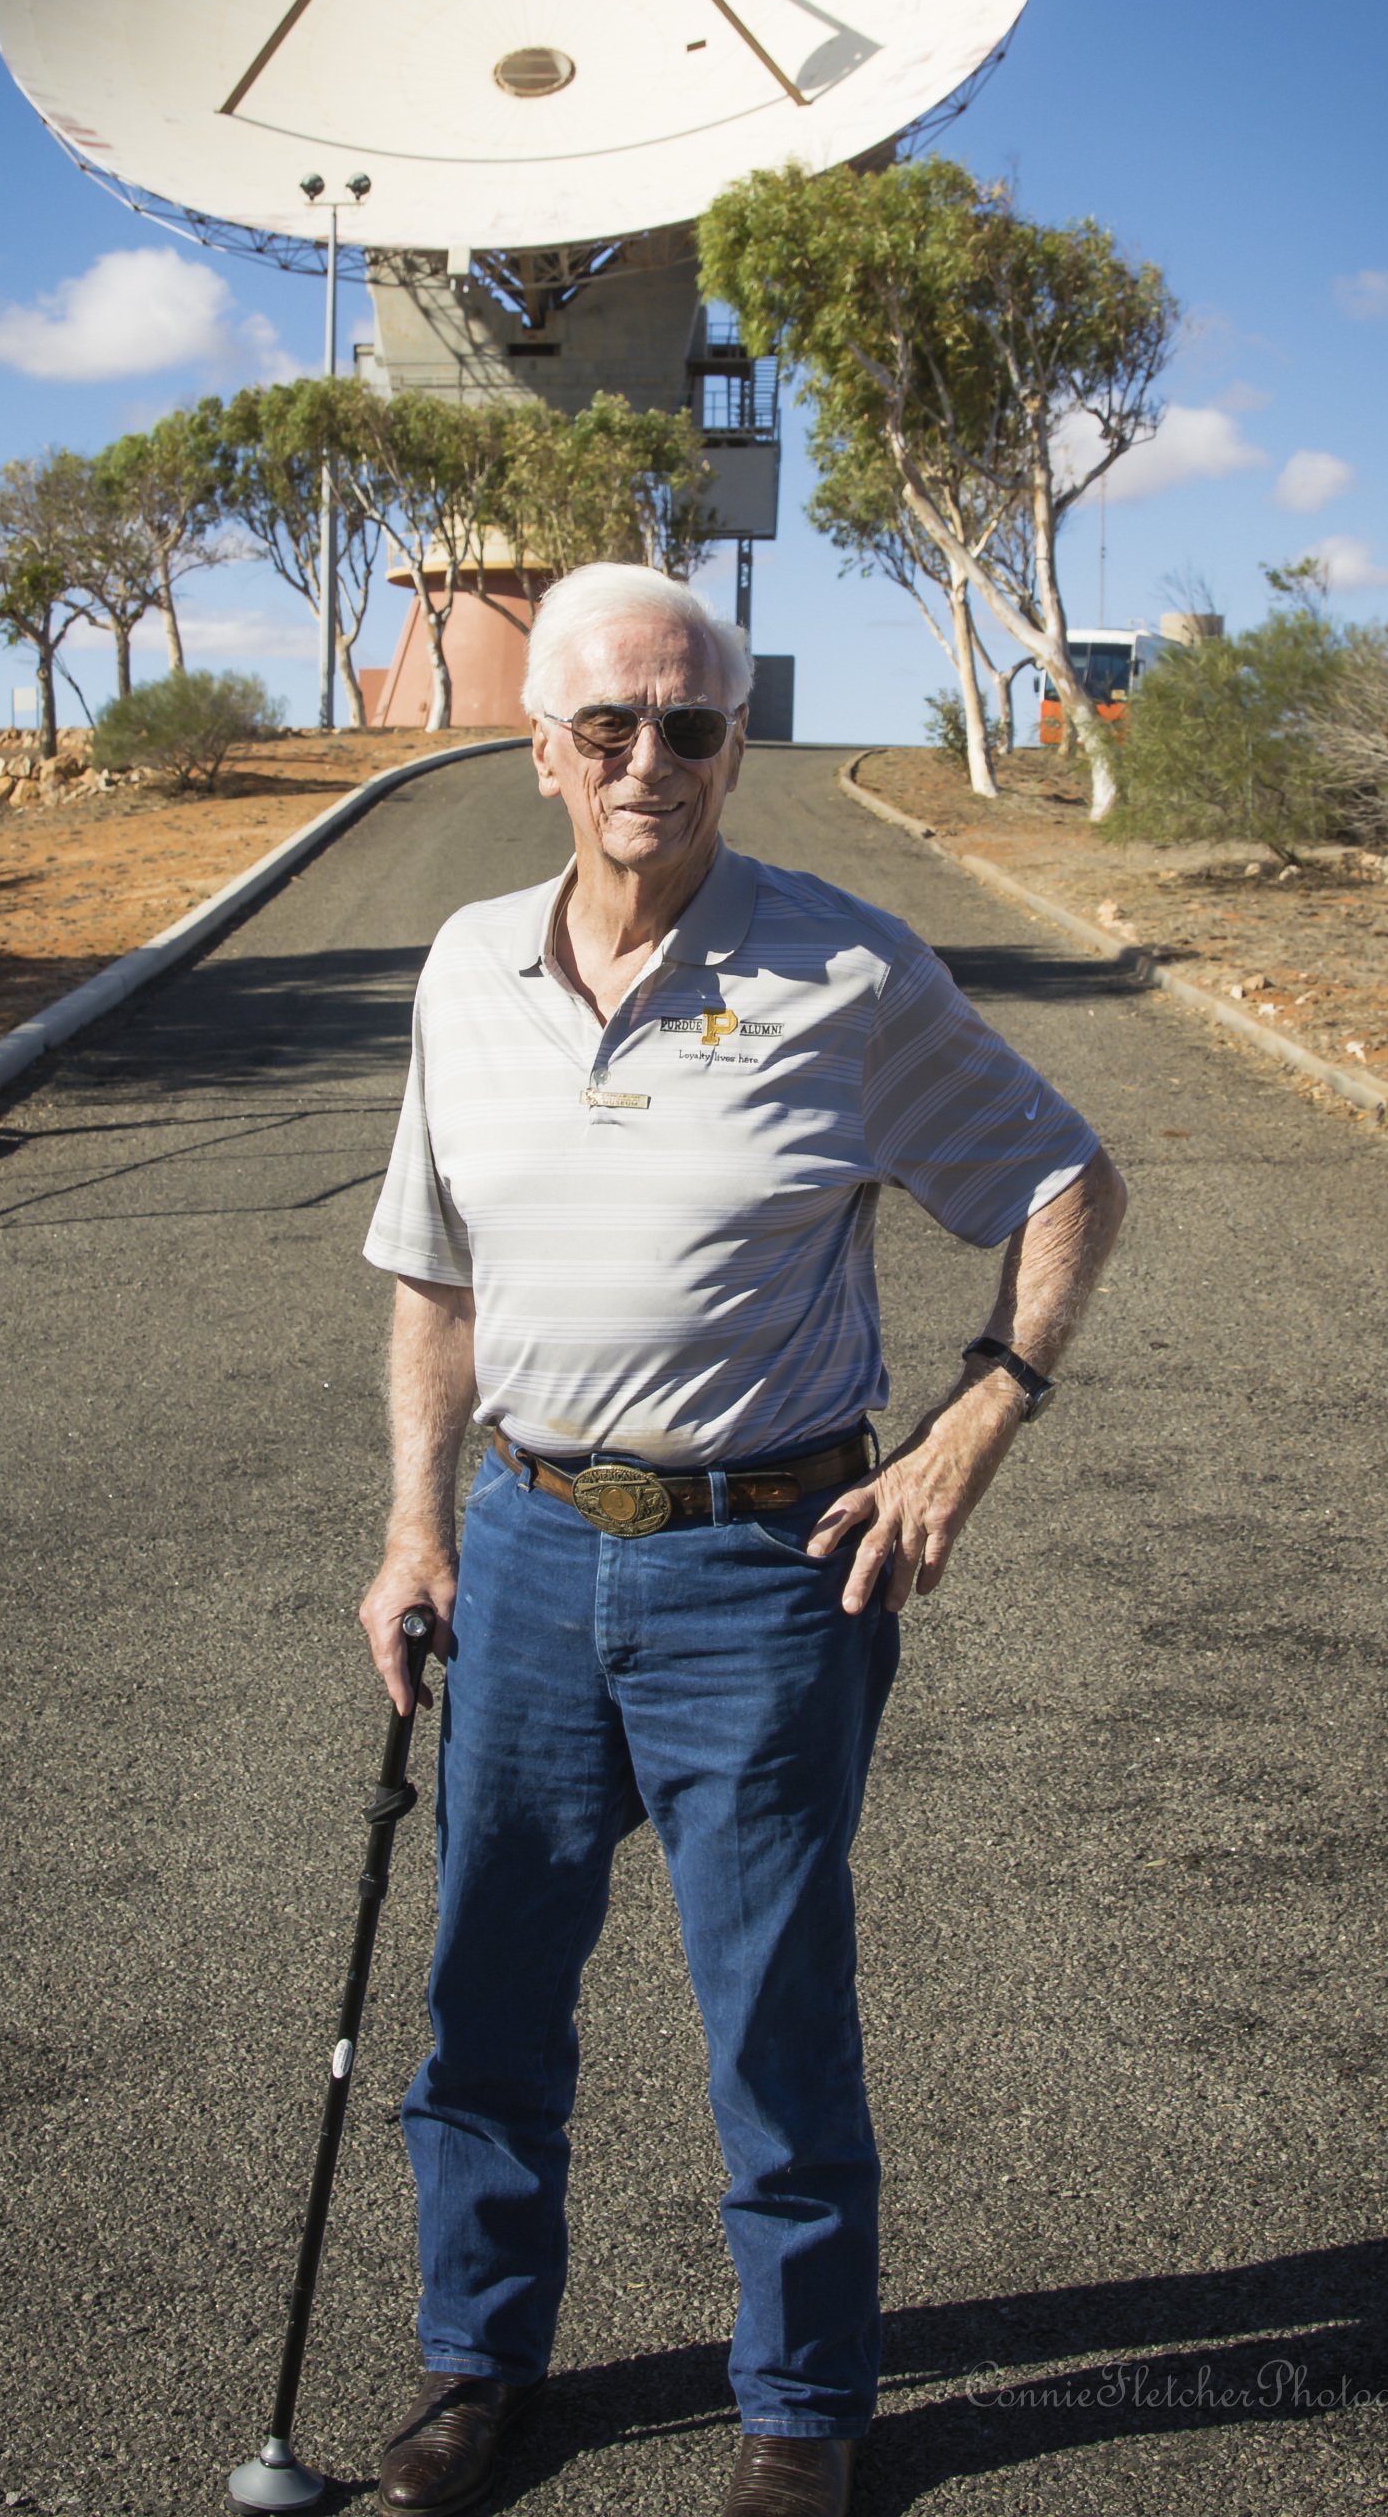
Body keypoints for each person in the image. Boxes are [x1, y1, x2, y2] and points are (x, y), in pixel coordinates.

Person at [358, 564, 1126, 2517]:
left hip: (766, 1571)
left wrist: (978, 1419)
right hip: (528, 1547)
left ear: (737, 742)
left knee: (771, 2015)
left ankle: (802, 2413)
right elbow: (435, 1276)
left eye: (689, 725)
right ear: (540, 749)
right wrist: (416, 1527)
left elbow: (1063, 1177)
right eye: (607, 726)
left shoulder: (844, 972)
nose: (651, 760)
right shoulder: (465, 967)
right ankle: (479, 2369)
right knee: (486, 2003)